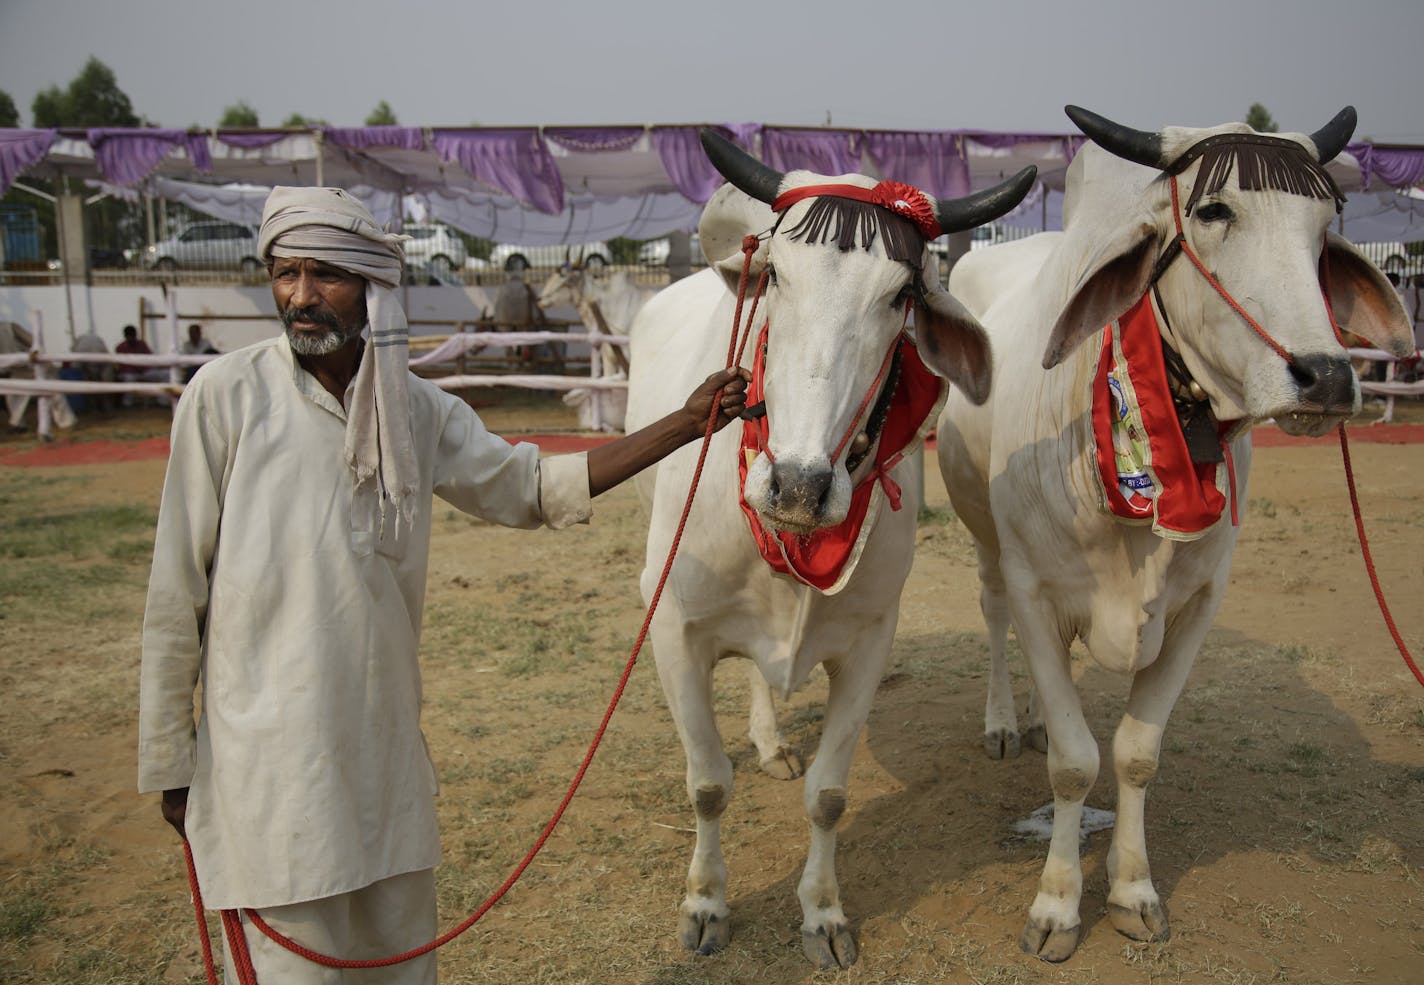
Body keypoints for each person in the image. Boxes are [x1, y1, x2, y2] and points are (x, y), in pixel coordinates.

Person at [137, 186, 748, 985]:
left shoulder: (415, 412)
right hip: (265, 778)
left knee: (402, 972)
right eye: (286, 272)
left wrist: (683, 421)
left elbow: (528, 485)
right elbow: (173, 594)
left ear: (371, 287)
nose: (301, 295)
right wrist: (170, 763)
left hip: (384, 762)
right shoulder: (224, 399)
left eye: (326, 274)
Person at [115, 324, 169, 406]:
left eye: (133, 335)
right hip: (130, 373)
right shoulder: (120, 347)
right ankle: (127, 404)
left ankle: (162, 402)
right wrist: (135, 367)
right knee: (129, 378)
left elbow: (150, 358)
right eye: (129, 336)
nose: (131, 338)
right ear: (125, 336)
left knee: (166, 374)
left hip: (145, 371)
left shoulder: (142, 344)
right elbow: (122, 366)